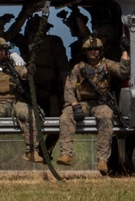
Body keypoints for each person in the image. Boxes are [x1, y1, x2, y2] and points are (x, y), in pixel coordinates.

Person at [56, 36, 130, 175]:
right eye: (90, 49)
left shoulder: (107, 65)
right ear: (85, 51)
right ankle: (66, 154)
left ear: (101, 51)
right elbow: (69, 89)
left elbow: (123, 73)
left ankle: (102, 160)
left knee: (107, 116)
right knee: (66, 116)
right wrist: (74, 104)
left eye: (96, 49)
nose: (93, 52)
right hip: (82, 103)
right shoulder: (79, 68)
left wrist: (125, 52)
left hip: (100, 104)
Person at [13, 15, 70, 116]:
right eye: (32, 29)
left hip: (50, 90)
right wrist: (24, 14)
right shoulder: (24, 42)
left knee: (54, 113)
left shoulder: (53, 42)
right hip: (29, 88)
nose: (35, 33)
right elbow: (8, 35)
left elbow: (63, 68)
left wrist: (67, 92)